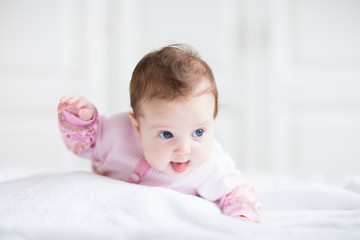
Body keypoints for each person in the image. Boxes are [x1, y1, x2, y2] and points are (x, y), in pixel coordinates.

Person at [57, 44, 262, 222]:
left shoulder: (211, 165)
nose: (183, 149)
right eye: (166, 135)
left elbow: (236, 191)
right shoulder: (117, 132)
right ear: (137, 128)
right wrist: (81, 121)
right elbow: (82, 146)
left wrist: (241, 216)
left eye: (198, 132)